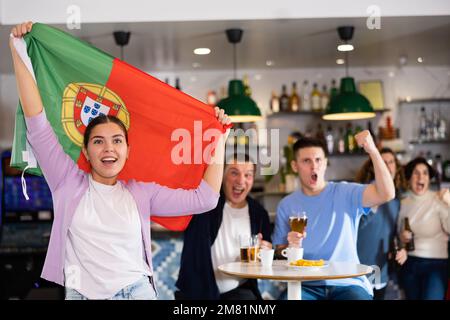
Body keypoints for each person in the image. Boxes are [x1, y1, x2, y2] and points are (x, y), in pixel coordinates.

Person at [10, 21, 231, 300]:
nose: (108, 149)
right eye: (98, 141)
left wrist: (219, 139)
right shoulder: (66, 181)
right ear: (87, 151)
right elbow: (37, 124)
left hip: (137, 293)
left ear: (127, 150)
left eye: (117, 140)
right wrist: (18, 49)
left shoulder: (141, 192)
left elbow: (206, 199)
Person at [273, 133, 395, 300]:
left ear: (325, 164)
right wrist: (289, 247)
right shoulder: (286, 205)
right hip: (305, 285)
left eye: (318, 160)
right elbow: (279, 253)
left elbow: (387, 193)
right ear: (295, 166)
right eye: (306, 161)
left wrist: (373, 151)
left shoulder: (346, 192)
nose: (313, 166)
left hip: (347, 282)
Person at [175, 153, 272, 300]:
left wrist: (265, 251)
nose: (241, 180)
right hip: (198, 291)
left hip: (239, 292)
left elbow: (267, 251)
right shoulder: (204, 205)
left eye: (248, 175)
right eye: (234, 173)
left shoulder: (259, 213)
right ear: (222, 175)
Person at [356, 147, 408, 300]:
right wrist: (374, 202)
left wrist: (402, 248)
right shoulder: (364, 193)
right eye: (383, 162)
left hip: (381, 270)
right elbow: (354, 228)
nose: (388, 166)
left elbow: (393, 233)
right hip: (358, 269)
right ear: (375, 166)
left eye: (391, 162)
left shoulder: (397, 200)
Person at [398, 157, 450, 300]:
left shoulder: (439, 199)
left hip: (436, 264)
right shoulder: (403, 202)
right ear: (409, 178)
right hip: (410, 263)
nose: (420, 176)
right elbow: (398, 237)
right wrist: (402, 238)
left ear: (429, 178)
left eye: (425, 173)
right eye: (416, 173)